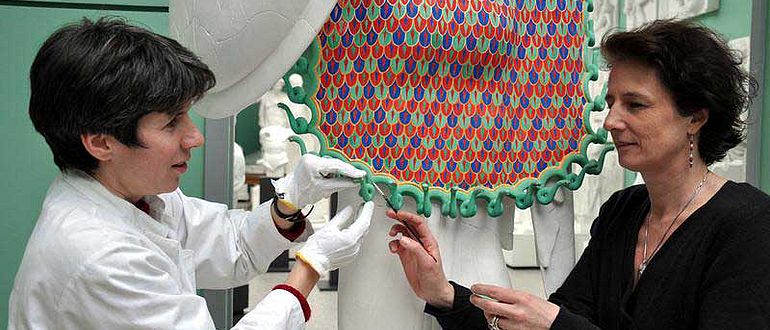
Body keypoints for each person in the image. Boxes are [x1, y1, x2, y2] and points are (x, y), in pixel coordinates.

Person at [387, 19, 770, 329]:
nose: (612, 121)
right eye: (611, 102)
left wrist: (555, 323)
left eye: (635, 105)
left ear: (696, 118)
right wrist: (444, 295)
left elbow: (559, 325)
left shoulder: (748, 225)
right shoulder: (623, 211)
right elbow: (560, 320)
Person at [9, 17, 374, 329]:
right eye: (171, 123)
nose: (195, 137)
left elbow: (233, 246)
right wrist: (310, 267)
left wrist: (289, 199)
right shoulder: (98, 255)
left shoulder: (141, 196)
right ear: (102, 143)